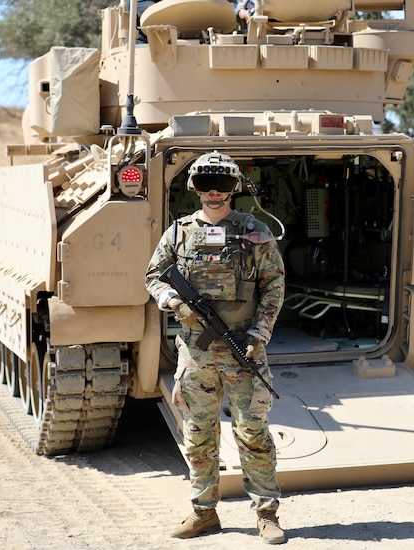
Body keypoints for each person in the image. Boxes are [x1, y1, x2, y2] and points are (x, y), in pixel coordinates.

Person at [145, 151, 286, 544]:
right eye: (205, 184)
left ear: (235, 188)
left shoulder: (254, 231)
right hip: (197, 354)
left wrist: (259, 334)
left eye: (221, 184)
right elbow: (154, 276)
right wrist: (172, 301)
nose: (213, 192)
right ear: (193, 187)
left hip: (245, 348)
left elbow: (274, 285)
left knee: (253, 432)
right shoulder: (178, 232)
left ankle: (266, 513)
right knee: (198, 436)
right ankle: (203, 513)